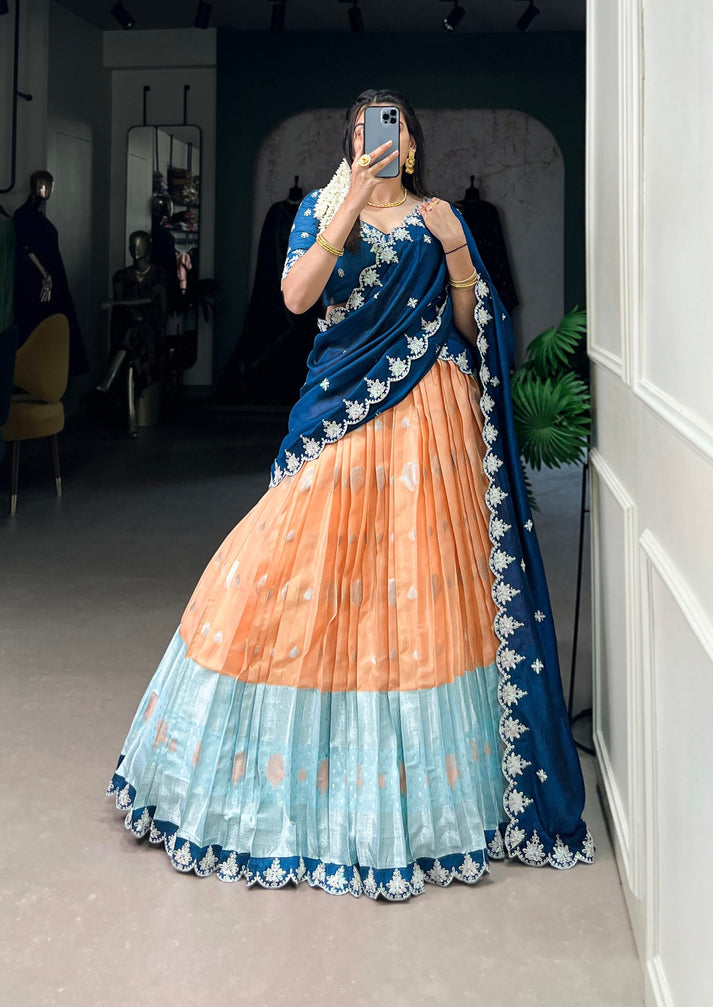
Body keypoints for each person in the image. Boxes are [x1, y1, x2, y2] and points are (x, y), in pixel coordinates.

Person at [108, 89, 593, 900]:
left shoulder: (440, 217)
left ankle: (433, 803)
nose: (383, 139)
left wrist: (458, 250)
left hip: (433, 428)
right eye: (367, 129)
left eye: (394, 128)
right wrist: (349, 207)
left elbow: (473, 330)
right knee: (285, 567)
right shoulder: (322, 211)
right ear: (351, 145)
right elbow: (298, 298)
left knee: (424, 600)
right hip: (342, 417)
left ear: (412, 145)